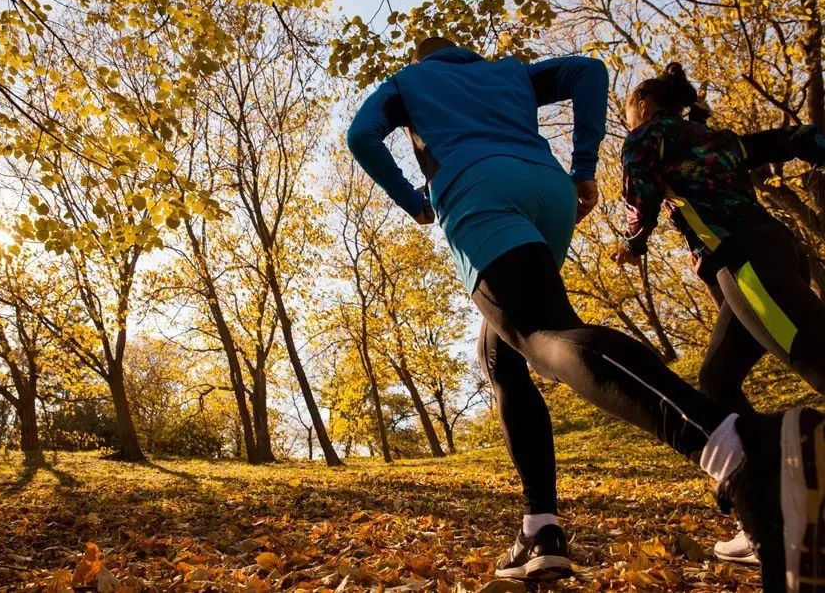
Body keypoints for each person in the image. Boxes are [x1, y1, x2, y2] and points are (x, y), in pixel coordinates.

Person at [345, 35, 825, 592]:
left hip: (478, 191)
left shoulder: (411, 81)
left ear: (421, 58)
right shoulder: (509, 72)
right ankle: (540, 527)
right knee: (500, 351)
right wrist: (583, 165)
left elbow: (361, 136)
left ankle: (740, 450)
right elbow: (588, 73)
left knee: (540, 331)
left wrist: (414, 200)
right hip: (548, 192)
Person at [614, 61, 825, 567]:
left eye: (628, 115)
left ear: (642, 106)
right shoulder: (716, 138)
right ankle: (768, 507)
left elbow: (639, 198)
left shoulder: (647, 138)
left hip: (746, 262)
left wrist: (631, 243)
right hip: (769, 251)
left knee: (817, 357)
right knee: (717, 380)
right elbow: (796, 138)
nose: (628, 124)